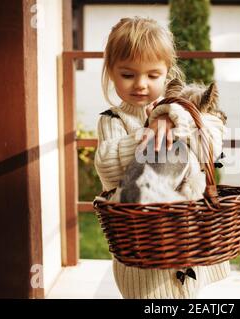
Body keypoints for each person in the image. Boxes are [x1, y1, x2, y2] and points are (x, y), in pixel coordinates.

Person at [95, 16, 229, 299]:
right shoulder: (113, 120)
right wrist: (144, 136)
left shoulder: (182, 106)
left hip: (187, 235)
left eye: (152, 75)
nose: (140, 84)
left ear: (167, 73)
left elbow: (214, 142)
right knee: (151, 297)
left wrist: (171, 118)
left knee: (187, 295)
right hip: (144, 242)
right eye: (128, 75)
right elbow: (106, 165)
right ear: (110, 72)